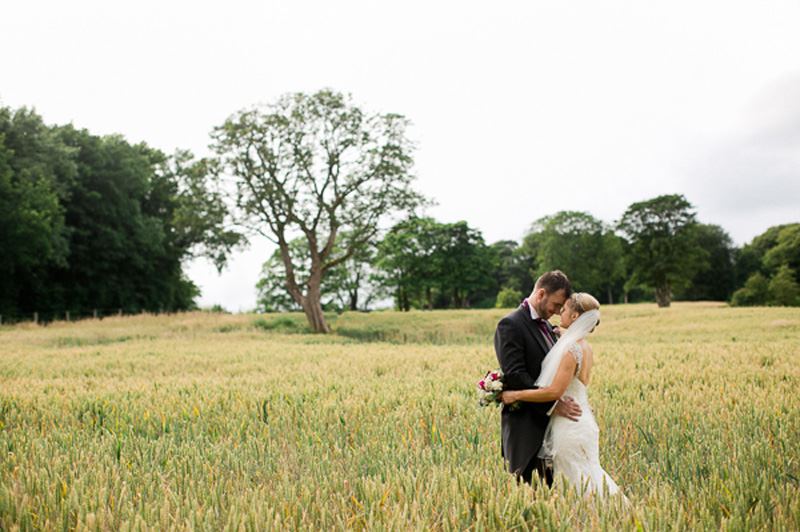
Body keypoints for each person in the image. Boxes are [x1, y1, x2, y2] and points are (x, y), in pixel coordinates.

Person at [501, 292, 623, 496]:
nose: (560, 312)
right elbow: (581, 381)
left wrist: (515, 395)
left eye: (564, 309)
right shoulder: (584, 346)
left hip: (569, 422)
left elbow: (554, 391)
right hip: (582, 419)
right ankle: (606, 518)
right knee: (588, 474)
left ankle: (588, 521)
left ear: (575, 317)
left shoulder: (571, 349)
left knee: (574, 481)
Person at [494, 270, 583, 486]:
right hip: (527, 431)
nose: (555, 312)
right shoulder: (510, 325)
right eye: (555, 304)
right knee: (528, 495)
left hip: (554, 433)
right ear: (541, 294)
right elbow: (516, 376)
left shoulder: (549, 328)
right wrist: (553, 404)